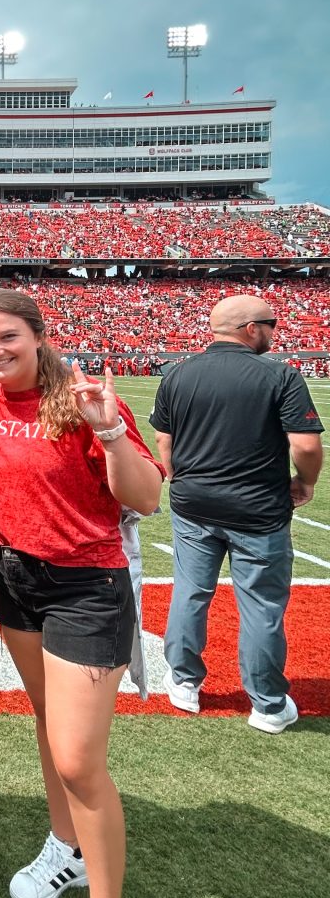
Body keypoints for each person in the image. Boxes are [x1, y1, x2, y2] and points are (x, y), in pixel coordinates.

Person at [0, 288, 163, 898]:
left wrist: (108, 432)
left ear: (40, 335)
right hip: (11, 571)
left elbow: (145, 499)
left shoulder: (81, 398)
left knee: (80, 757)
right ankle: (67, 847)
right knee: (49, 726)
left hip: (85, 583)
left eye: (6, 338)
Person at [151, 294, 323, 732]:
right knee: (262, 605)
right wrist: (306, 482)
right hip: (257, 509)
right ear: (251, 328)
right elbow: (304, 445)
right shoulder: (280, 375)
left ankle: (184, 682)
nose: (274, 331)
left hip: (194, 503)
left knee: (190, 592)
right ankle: (266, 703)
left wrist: (179, 478)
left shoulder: (179, 373)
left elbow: (164, 443)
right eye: (270, 323)